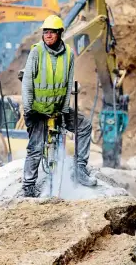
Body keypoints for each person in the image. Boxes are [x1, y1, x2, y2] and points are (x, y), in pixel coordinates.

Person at [21, 15, 97, 197]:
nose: (48, 35)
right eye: (45, 32)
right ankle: (29, 186)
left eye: (51, 32)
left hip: (58, 109)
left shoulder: (68, 54)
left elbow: (68, 83)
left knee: (84, 126)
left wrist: (63, 111)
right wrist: (28, 109)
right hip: (38, 110)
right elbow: (27, 82)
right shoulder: (36, 52)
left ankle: (80, 169)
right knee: (36, 148)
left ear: (59, 34)